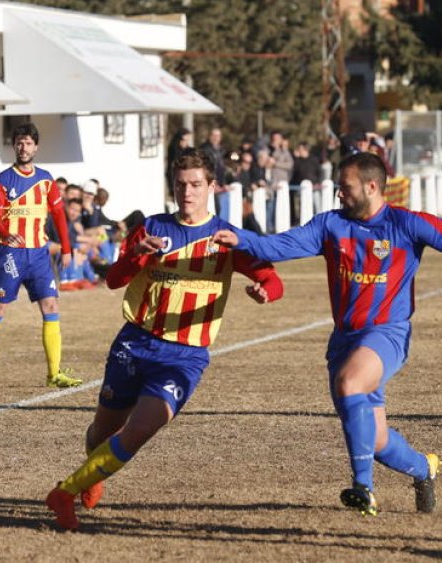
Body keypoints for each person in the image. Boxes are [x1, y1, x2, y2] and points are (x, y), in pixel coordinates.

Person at [212, 151, 442, 517]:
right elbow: (279, 246)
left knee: (349, 384)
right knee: (374, 439)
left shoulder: (406, 224)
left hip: (387, 334)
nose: (338, 195)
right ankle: (425, 469)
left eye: (345, 188)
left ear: (372, 186)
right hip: (344, 339)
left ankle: (363, 488)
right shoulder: (330, 225)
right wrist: (240, 237)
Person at [45, 149, 284, 531]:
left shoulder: (227, 237)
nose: (187, 193)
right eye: (179, 185)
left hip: (183, 356)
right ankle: (93, 474)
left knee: (139, 430)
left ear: (212, 187)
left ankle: (65, 492)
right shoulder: (153, 228)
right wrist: (135, 256)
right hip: (134, 343)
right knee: (102, 433)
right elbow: (114, 280)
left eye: (195, 185)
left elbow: (273, 280)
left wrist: (264, 291)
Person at [0, 122, 83, 391]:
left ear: (36, 147)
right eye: (19, 142)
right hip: (10, 255)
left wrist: (66, 248)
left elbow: (59, 216)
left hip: (39, 255)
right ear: (14, 145)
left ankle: (53, 373)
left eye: (28, 143)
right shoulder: (2, 180)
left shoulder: (46, 179)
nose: (23, 147)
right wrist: (7, 233)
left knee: (51, 307)